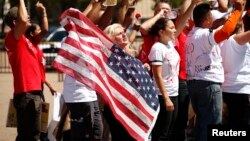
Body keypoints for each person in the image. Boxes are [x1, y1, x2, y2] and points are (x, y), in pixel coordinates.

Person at [185, 1, 245, 141]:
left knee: (201, 123)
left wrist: (224, 19)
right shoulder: (206, 35)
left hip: (194, 83)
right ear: (206, 21)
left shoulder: (192, 33)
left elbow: (215, 25)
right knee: (212, 124)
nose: (213, 20)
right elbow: (225, 32)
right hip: (208, 84)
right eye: (211, 18)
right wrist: (238, 10)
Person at [4, 0, 47, 140]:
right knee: (29, 136)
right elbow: (23, 21)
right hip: (26, 93)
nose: (28, 17)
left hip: (34, 91)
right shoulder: (12, 37)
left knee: (32, 135)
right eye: (24, 15)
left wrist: (43, 13)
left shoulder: (26, 39)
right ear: (15, 22)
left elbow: (44, 31)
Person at [148, 17, 179, 141]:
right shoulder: (157, 48)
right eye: (171, 28)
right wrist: (166, 98)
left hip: (174, 93)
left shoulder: (170, 44)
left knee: (170, 131)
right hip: (163, 96)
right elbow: (157, 75)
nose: (175, 30)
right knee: (162, 133)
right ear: (161, 32)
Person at [220, 10, 250, 126]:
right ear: (241, 24)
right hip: (239, 89)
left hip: (228, 89)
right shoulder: (236, 39)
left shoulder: (223, 40)